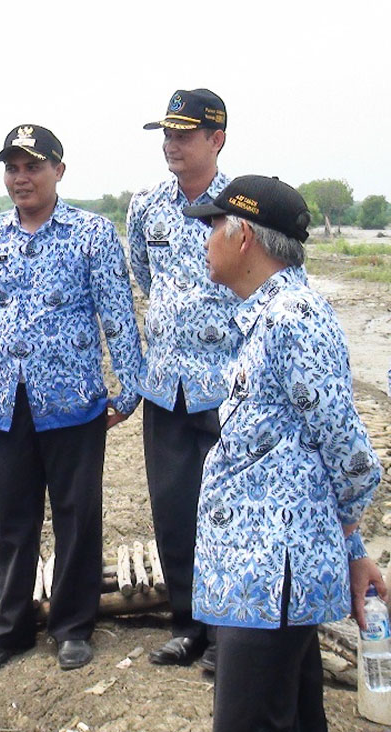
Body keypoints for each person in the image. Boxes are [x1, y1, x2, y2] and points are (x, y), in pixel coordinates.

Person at [185, 175, 385, 731]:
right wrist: (354, 548)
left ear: (243, 235)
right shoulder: (268, 316)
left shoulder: (293, 318)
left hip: (273, 576)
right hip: (266, 572)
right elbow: (307, 455)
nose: (204, 240)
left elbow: (350, 454)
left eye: (212, 226)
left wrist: (339, 539)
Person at [0, 124, 143, 674]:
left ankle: (74, 627)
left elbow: (118, 317)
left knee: (78, 516)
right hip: (5, 404)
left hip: (75, 401)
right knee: (13, 520)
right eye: (12, 167)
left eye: (33, 166)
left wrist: (128, 390)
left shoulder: (93, 234)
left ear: (59, 170)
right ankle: (9, 630)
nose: (21, 177)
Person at [127, 89, 239, 671]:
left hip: (231, 389)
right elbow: (145, 277)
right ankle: (187, 623)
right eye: (166, 134)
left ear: (216, 139)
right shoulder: (146, 206)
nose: (171, 144)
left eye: (184, 134)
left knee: (229, 507)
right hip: (166, 384)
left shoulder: (246, 206)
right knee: (175, 508)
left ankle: (229, 632)